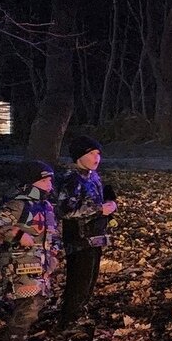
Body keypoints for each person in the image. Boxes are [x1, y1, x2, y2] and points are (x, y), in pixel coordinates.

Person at [0, 161, 60, 341]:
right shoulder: (17, 204)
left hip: (41, 264)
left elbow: (52, 232)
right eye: (44, 180)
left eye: (50, 179)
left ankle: (19, 340)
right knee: (27, 303)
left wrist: (54, 253)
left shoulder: (46, 206)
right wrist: (16, 234)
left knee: (37, 301)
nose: (49, 184)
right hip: (20, 263)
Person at [54, 135, 117, 328]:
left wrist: (109, 205)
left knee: (90, 279)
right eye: (91, 153)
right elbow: (66, 210)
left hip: (95, 237)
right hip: (79, 239)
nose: (96, 158)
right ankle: (69, 319)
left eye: (98, 153)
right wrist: (99, 209)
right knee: (79, 280)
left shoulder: (93, 177)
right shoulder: (71, 179)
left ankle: (80, 312)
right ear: (79, 156)